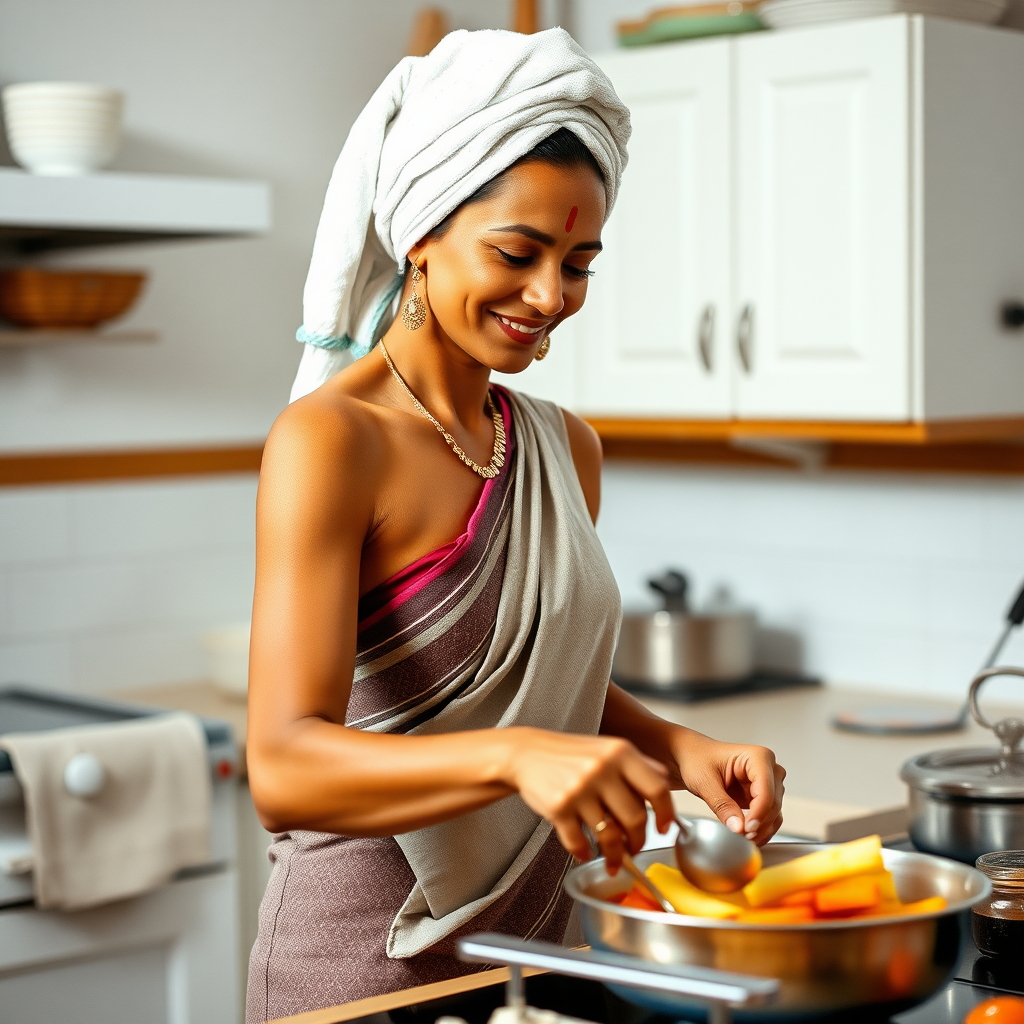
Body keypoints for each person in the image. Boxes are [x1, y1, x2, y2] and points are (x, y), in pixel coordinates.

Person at [245, 27, 786, 1023]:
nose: (550, 296)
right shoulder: (331, 440)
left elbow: (534, 673)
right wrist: (516, 756)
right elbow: (282, 766)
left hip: (532, 959)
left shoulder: (562, 444)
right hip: (360, 975)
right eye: (517, 251)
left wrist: (674, 747)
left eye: (578, 261)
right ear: (421, 231)